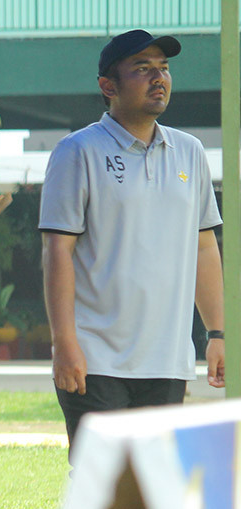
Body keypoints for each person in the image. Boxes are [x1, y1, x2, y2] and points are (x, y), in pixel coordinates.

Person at [40, 29, 225, 457]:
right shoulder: (77, 151)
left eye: (163, 68)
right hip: (95, 357)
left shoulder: (191, 152)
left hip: (167, 358)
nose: (158, 77)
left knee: (153, 487)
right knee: (100, 482)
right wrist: (64, 342)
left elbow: (204, 246)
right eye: (142, 68)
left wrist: (217, 332)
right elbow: (57, 252)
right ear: (109, 86)